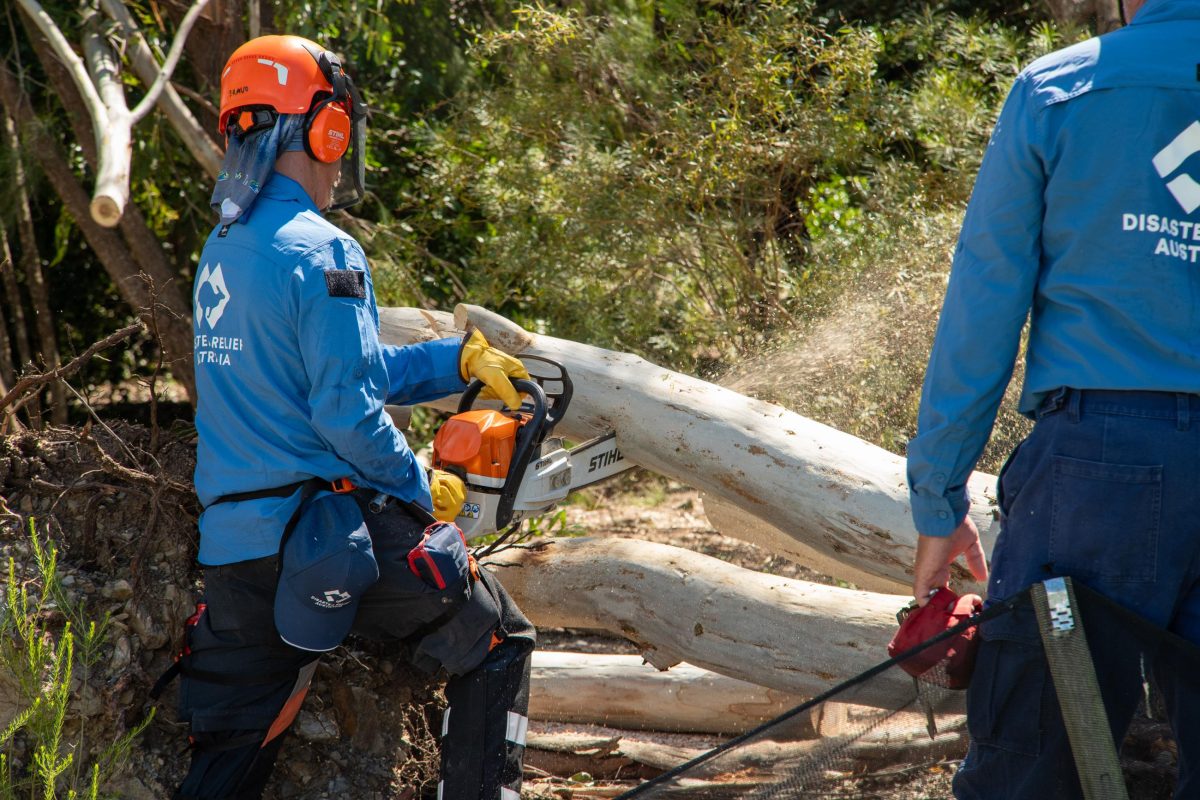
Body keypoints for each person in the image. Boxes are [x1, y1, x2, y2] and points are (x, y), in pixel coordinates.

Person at [173, 34, 536, 800]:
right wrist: (418, 488)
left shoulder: (224, 244)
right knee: (498, 638)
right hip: (316, 536)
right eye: (340, 126)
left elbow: (350, 372)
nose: (342, 151)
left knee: (235, 753)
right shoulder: (326, 252)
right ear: (323, 128)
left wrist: (458, 360)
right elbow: (348, 417)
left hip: (234, 552)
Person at [906, 0, 1200, 796]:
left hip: (1099, 474)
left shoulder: (1059, 89)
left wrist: (938, 497)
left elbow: (984, 303)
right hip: (1104, 464)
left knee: (1027, 765)